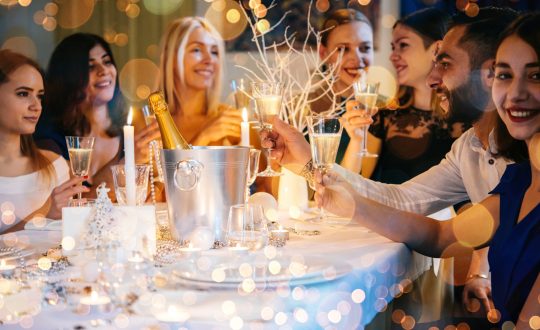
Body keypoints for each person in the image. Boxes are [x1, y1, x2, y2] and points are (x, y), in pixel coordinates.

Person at [262, 6, 518, 322]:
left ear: (490, 72)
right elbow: (404, 200)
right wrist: (307, 164)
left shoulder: (526, 157)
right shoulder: (467, 148)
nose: (433, 77)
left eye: (446, 64)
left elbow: (442, 235)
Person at [34, 33, 159, 198]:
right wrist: (126, 162)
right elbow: (71, 208)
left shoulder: (133, 132)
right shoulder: (50, 140)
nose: (104, 71)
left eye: (107, 62)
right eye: (90, 67)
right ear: (68, 77)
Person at [364, 8, 469, 183]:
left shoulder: (468, 120)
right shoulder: (383, 115)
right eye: (393, 47)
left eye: (403, 45)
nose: (392, 56)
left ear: (437, 49)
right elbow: (358, 182)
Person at [0, 50, 87, 234]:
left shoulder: (55, 165)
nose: (36, 105)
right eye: (23, 94)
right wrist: (43, 214)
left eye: (40, 96)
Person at [158, 16, 242, 146]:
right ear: (172, 58)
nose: (209, 60)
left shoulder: (230, 121)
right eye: (196, 50)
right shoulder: (149, 122)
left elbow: (265, 166)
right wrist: (203, 137)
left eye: (214, 52)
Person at [309, 8, 375, 171]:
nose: (357, 58)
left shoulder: (382, 110)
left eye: (365, 48)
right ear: (323, 52)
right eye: (343, 49)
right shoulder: (302, 109)